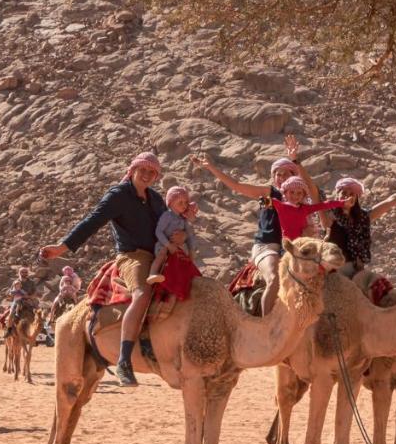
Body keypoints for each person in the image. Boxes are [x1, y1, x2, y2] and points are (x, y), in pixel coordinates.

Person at [39, 152, 167, 386]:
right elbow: (92, 221)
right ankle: (124, 359)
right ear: (134, 169)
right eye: (144, 170)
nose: (147, 175)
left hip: (160, 255)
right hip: (133, 257)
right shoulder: (118, 196)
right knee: (142, 294)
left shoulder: (156, 199)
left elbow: (169, 223)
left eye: (152, 172)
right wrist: (61, 248)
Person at [191, 134, 318, 314]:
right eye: (277, 174)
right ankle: (267, 325)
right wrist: (211, 168)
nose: (280, 177)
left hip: (290, 247)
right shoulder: (270, 195)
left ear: (293, 175)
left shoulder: (301, 201)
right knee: (275, 278)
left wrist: (295, 160)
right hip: (267, 246)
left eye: (285, 173)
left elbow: (312, 190)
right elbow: (237, 186)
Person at [326, 168, 396, 276]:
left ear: (356, 199)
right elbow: (313, 195)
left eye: (352, 194)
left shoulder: (363, 218)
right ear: (337, 195)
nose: (347, 196)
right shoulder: (329, 215)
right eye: (344, 192)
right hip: (333, 271)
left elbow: (391, 201)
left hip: (355, 272)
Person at [147, 186, 202, 284]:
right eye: (180, 202)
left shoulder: (183, 219)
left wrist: (191, 250)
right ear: (171, 203)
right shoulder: (167, 216)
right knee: (162, 253)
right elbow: (158, 231)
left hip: (178, 246)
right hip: (164, 244)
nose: (184, 205)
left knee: (183, 259)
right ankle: (153, 273)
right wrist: (168, 245)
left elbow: (189, 234)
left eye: (185, 202)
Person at [272, 176, 345, 240]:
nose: (295, 196)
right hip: (289, 246)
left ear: (303, 195)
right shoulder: (281, 207)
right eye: (291, 192)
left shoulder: (305, 209)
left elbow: (324, 204)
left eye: (299, 193)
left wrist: (343, 203)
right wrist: (264, 201)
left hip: (304, 244)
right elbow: (269, 201)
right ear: (285, 193)